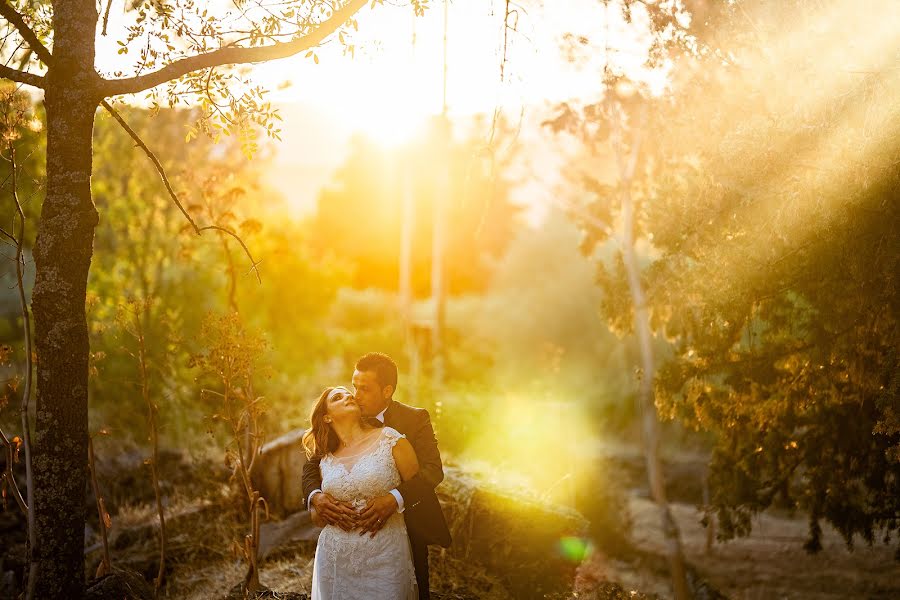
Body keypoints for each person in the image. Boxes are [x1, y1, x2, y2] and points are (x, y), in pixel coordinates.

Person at [303, 352, 451, 600]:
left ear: (387, 391)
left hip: (403, 531)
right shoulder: (342, 423)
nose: (355, 395)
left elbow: (433, 470)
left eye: (365, 389)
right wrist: (315, 496)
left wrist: (394, 499)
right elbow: (312, 465)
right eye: (354, 386)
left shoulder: (413, 419)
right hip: (339, 550)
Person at [302, 385, 419, 599]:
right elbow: (317, 518)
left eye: (349, 393)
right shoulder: (324, 458)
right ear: (326, 417)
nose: (348, 396)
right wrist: (319, 504)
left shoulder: (390, 440)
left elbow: (419, 488)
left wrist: (394, 500)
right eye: (338, 397)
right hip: (334, 560)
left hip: (385, 554)